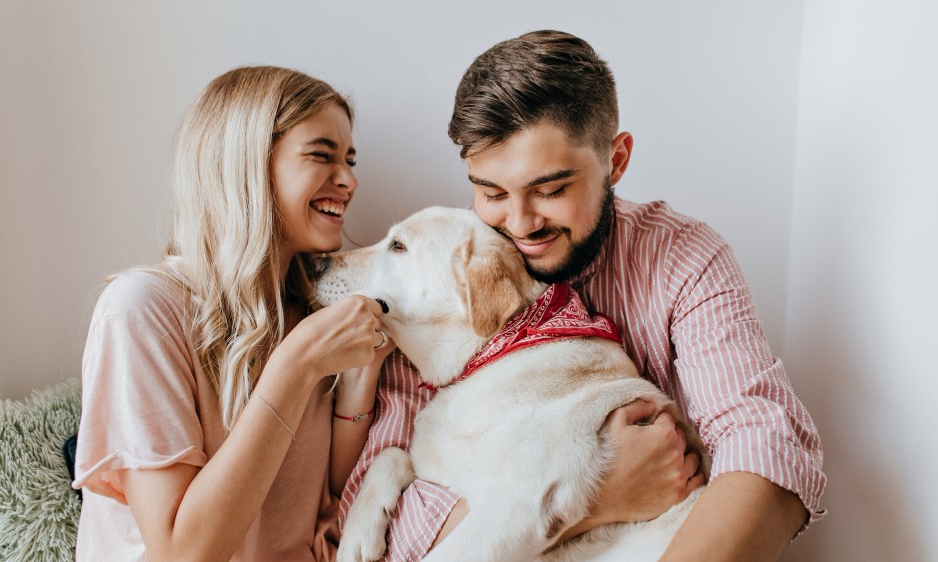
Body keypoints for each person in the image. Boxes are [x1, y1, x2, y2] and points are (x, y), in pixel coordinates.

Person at [338, 31, 826, 560]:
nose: (520, 225)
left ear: (615, 161)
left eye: (550, 190)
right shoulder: (444, 278)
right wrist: (590, 501)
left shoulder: (684, 260)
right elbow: (383, 525)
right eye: (491, 193)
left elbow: (765, 446)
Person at [72, 66, 394, 561]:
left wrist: (360, 373)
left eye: (350, 160)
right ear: (245, 164)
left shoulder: (308, 309)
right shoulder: (143, 310)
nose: (348, 180)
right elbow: (183, 553)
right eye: (321, 155)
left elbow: (322, 495)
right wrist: (295, 367)